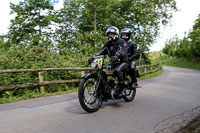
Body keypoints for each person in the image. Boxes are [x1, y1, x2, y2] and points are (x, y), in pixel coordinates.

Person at [88, 26, 129, 98]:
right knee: (103, 70)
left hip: (123, 61)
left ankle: (122, 90)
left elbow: (123, 50)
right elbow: (101, 52)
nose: (110, 35)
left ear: (116, 34)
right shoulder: (108, 44)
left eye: (111, 34)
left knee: (117, 70)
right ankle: (105, 89)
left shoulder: (121, 41)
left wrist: (117, 56)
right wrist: (93, 58)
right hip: (114, 62)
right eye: (109, 34)